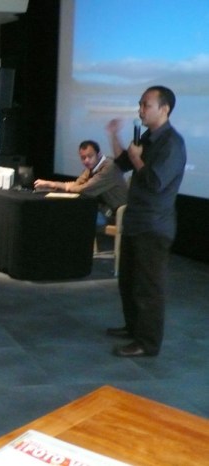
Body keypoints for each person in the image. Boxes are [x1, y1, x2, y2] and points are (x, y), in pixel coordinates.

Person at [105, 85, 186, 357]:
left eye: (146, 105)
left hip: (154, 226)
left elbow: (155, 183)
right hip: (136, 221)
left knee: (148, 288)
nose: (140, 110)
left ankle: (147, 343)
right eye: (140, 104)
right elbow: (122, 164)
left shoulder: (172, 143)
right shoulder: (148, 137)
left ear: (164, 109)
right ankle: (133, 329)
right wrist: (114, 135)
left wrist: (137, 159)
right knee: (128, 281)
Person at [34, 140, 127, 228]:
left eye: (90, 156)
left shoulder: (109, 168)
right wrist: (50, 184)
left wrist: (69, 187)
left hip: (117, 215)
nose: (86, 160)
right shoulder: (92, 167)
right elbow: (77, 184)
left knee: (74, 216)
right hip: (103, 209)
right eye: (83, 158)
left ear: (98, 154)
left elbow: (85, 189)